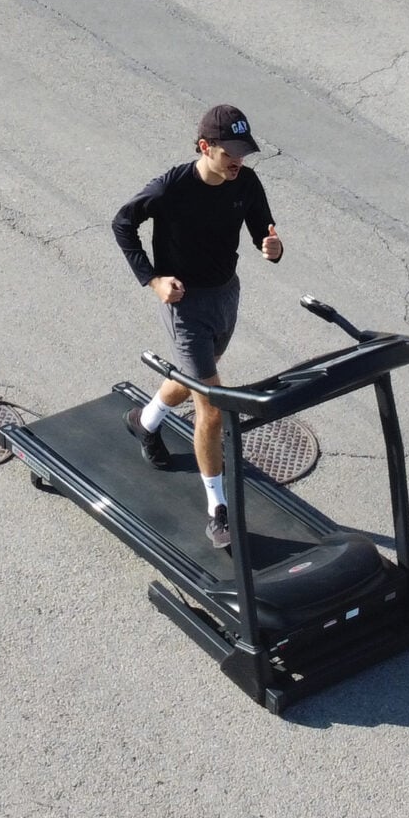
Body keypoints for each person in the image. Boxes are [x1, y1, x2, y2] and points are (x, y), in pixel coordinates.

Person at [111, 104, 284, 549]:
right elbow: (123, 223)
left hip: (226, 296)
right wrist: (152, 280)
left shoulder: (243, 181)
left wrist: (272, 246)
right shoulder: (171, 189)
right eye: (230, 152)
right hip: (185, 305)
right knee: (211, 406)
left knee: (193, 380)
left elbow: (261, 227)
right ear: (205, 147)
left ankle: (145, 421)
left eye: (244, 153)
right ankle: (218, 512)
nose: (238, 161)